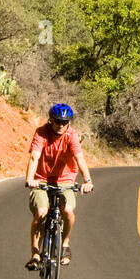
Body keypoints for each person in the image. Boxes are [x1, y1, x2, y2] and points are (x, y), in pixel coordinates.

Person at [25, 103, 93, 270]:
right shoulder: (42, 133)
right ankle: (35, 254)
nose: (61, 126)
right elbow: (34, 157)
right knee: (41, 212)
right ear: (51, 120)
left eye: (65, 122)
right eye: (57, 122)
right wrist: (30, 179)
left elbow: (79, 158)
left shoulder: (71, 135)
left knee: (68, 210)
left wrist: (87, 180)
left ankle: (65, 243)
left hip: (65, 181)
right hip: (41, 180)